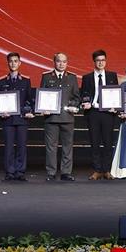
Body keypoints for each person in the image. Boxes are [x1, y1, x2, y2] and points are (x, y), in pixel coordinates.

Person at [41, 52, 80, 182]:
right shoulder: (46, 77)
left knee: (67, 147)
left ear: (67, 63)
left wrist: (72, 105)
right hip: (51, 118)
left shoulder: (72, 78)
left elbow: (77, 97)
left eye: (64, 61)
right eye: (59, 61)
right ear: (54, 62)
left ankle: (66, 173)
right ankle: (51, 172)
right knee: (51, 147)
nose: (61, 64)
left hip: (67, 117)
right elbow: (42, 96)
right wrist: (43, 108)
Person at [81, 49, 119, 180]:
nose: (100, 63)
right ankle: (97, 170)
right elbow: (84, 94)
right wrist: (85, 103)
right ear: (94, 62)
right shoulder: (87, 78)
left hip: (108, 113)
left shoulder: (112, 76)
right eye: (98, 60)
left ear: (106, 61)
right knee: (94, 142)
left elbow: (116, 93)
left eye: (103, 60)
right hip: (93, 112)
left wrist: (116, 106)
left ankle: (107, 170)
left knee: (108, 142)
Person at [0, 52, 34, 181]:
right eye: (11, 61)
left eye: (15, 61)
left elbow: (29, 100)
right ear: (8, 63)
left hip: (22, 119)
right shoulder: (1, 81)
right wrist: (1, 112)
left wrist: (30, 111)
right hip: (8, 119)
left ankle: (20, 172)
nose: (13, 63)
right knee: (9, 147)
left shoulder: (26, 81)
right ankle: (10, 172)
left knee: (22, 147)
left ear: (20, 63)